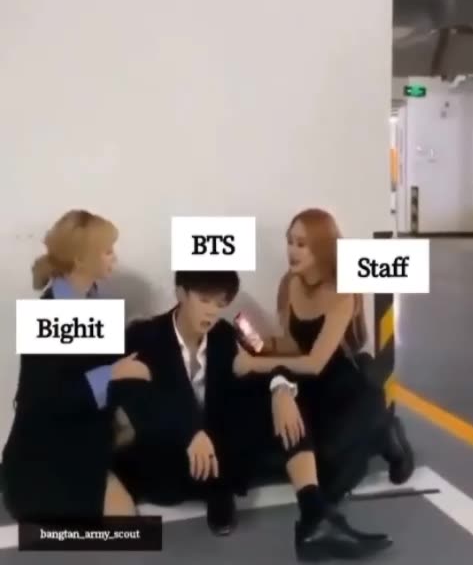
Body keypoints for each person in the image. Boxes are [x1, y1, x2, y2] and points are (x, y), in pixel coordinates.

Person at [233, 208, 413, 560]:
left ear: (322, 248)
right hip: (305, 380)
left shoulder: (344, 291)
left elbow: (316, 362)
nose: (292, 250)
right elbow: (292, 346)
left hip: (340, 385)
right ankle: (316, 524)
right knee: (293, 443)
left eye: (302, 244)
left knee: (331, 471)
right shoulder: (288, 283)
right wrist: (262, 346)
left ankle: (386, 435)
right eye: (289, 242)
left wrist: (256, 363)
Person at [115, 270, 297, 537]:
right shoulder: (142, 334)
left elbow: (266, 360)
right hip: (166, 445)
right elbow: (135, 400)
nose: (212, 311)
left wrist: (281, 388)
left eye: (220, 303)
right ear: (181, 294)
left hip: (220, 440)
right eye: (204, 300)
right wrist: (190, 431)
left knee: (253, 401)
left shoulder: (232, 330)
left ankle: (219, 489)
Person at [2, 209, 151, 521]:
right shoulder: (48, 313)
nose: (114, 258)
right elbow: (44, 399)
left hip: (86, 436)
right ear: (82, 259)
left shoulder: (96, 302)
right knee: (126, 524)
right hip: (47, 453)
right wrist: (112, 373)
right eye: (107, 251)